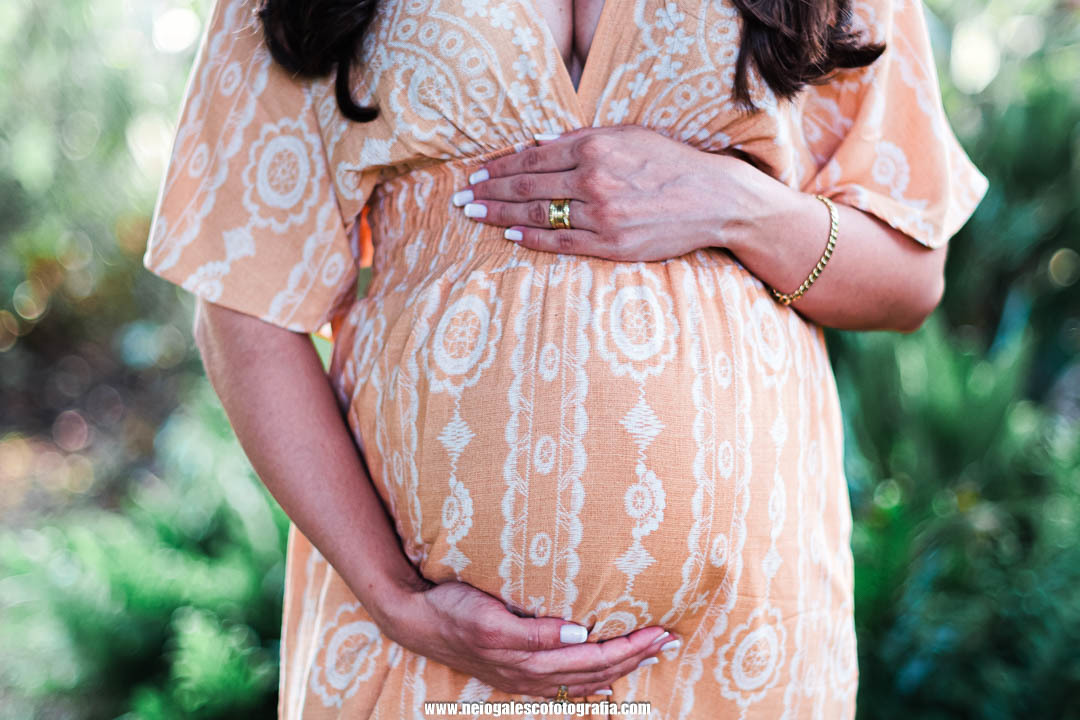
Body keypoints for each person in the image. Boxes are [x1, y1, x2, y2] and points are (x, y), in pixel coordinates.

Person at [141, 0, 989, 716]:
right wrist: (395, 598)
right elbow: (241, 298)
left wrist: (735, 205)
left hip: (739, 654)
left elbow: (909, 278)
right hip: (424, 649)